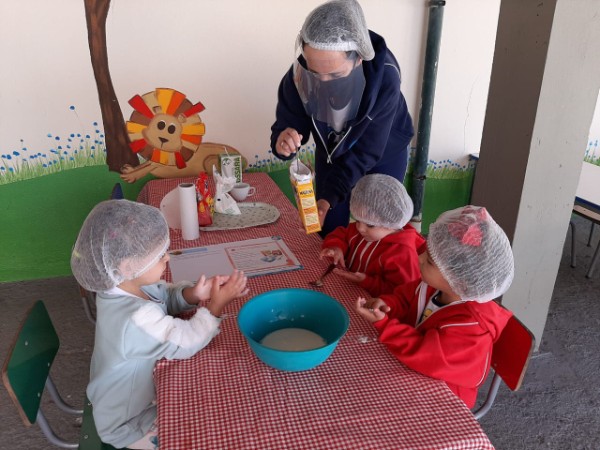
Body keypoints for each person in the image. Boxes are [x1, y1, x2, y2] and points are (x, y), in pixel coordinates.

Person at [70, 199, 248, 449]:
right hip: (128, 423)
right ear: (129, 266)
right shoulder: (133, 319)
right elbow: (187, 341)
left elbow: (162, 295)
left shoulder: (120, 286)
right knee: (209, 428)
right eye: (159, 256)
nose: (167, 258)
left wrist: (193, 295)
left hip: (123, 400)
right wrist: (216, 306)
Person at [270, 0, 414, 236]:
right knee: (327, 227)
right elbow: (291, 120)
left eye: (336, 74)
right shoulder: (299, 75)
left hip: (383, 150)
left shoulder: (385, 80)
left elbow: (365, 153)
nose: (324, 84)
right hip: (331, 151)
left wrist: (328, 198)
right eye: (315, 73)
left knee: (379, 227)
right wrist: (283, 139)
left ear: (359, 58)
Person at [355, 205, 515, 408]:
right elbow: (404, 298)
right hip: (414, 370)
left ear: (458, 280)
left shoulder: (471, 328)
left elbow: (425, 354)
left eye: (429, 261)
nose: (419, 258)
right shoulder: (431, 287)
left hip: (444, 398)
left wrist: (386, 326)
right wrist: (388, 304)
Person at [320, 173, 426, 296]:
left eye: (370, 225)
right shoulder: (364, 231)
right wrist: (336, 247)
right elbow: (340, 235)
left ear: (390, 223)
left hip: (373, 306)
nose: (360, 228)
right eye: (357, 220)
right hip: (349, 289)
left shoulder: (403, 253)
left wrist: (367, 282)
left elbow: (402, 294)